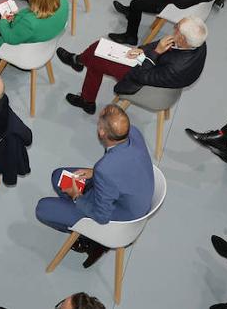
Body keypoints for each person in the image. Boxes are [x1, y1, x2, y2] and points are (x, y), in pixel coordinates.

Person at [35, 104, 154, 267]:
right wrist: (94, 172)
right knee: (59, 176)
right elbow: (120, 167)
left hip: (118, 219)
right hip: (129, 195)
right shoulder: (134, 133)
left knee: (42, 209)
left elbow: (102, 216)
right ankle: (73, 209)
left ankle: (90, 239)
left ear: (102, 132)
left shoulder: (105, 169)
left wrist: (77, 196)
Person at [58, 17, 209, 113]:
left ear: (182, 38)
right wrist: (140, 49)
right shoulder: (198, 42)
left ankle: (78, 63)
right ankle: (82, 78)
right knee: (98, 53)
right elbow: (162, 44)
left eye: (176, 27)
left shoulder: (176, 68)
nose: (174, 27)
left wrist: (155, 53)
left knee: (97, 54)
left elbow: (141, 76)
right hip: (155, 68)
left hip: (146, 79)